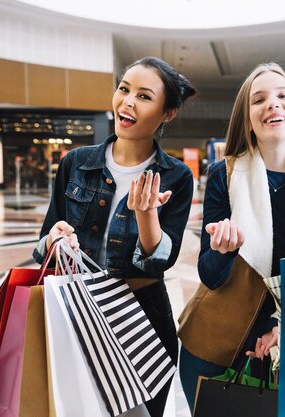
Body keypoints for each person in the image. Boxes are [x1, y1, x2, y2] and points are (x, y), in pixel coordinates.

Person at [32, 56, 196, 417]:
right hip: (77, 313)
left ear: (167, 113)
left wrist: (146, 214)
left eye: (143, 96)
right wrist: (54, 241)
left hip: (141, 318)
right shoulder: (77, 162)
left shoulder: (176, 176)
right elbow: (43, 243)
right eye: (124, 90)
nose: (127, 102)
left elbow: (159, 261)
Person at [177, 63, 285, 414]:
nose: (272, 104)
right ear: (247, 119)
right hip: (213, 346)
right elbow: (210, 275)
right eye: (259, 100)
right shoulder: (224, 174)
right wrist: (223, 251)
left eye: (282, 95)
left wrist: (280, 326)